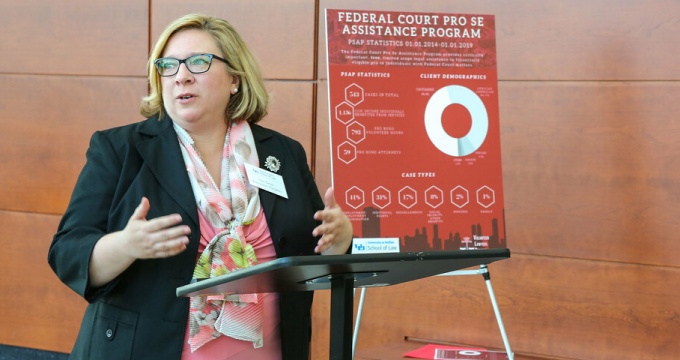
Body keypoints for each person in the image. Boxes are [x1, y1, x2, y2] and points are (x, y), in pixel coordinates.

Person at [48, 13, 353, 360]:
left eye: (198, 62)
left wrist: (340, 242)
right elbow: (67, 253)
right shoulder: (120, 149)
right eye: (168, 65)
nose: (182, 76)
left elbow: (314, 250)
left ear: (235, 78)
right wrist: (126, 244)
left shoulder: (282, 152)